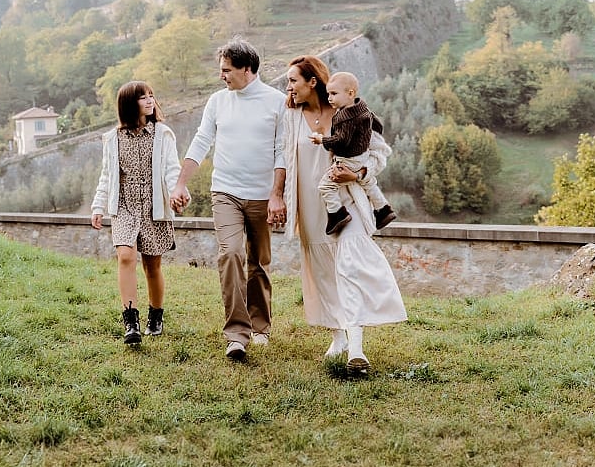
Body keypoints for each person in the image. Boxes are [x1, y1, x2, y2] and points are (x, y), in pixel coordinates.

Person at [283, 55, 407, 375]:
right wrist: (276, 197)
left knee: (349, 266)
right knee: (325, 272)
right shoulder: (291, 116)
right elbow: (282, 160)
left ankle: (356, 348)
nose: (289, 87)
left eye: (294, 80)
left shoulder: (353, 112)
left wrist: (359, 174)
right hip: (311, 207)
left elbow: (380, 153)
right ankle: (338, 335)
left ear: (314, 82)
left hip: (347, 202)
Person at [169, 37, 287, 362]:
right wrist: (180, 183)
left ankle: (260, 327)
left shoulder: (276, 102)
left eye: (226, 70)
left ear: (247, 69)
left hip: (263, 196)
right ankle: (237, 334)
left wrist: (277, 195)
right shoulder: (217, 101)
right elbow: (201, 141)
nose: (222, 76)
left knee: (259, 263)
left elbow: (281, 152)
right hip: (225, 193)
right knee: (231, 254)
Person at [91, 81, 181, 345]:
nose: (150, 101)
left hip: (154, 207)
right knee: (126, 257)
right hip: (125, 206)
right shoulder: (113, 138)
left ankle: (156, 313)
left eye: (151, 96)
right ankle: (131, 320)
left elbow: (171, 169)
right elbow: (107, 176)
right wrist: (98, 206)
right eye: (143, 97)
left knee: (152, 265)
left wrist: (177, 192)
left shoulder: (163, 134)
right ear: (130, 104)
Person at [308, 71, 396, 235]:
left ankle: (337, 214)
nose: (330, 98)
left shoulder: (345, 117)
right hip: (361, 158)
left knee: (326, 186)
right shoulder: (364, 111)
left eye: (334, 94)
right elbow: (377, 124)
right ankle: (383, 209)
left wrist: (322, 140)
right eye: (328, 94)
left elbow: (341, 140)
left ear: (350, 93)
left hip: (348, 160)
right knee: (368, 183)